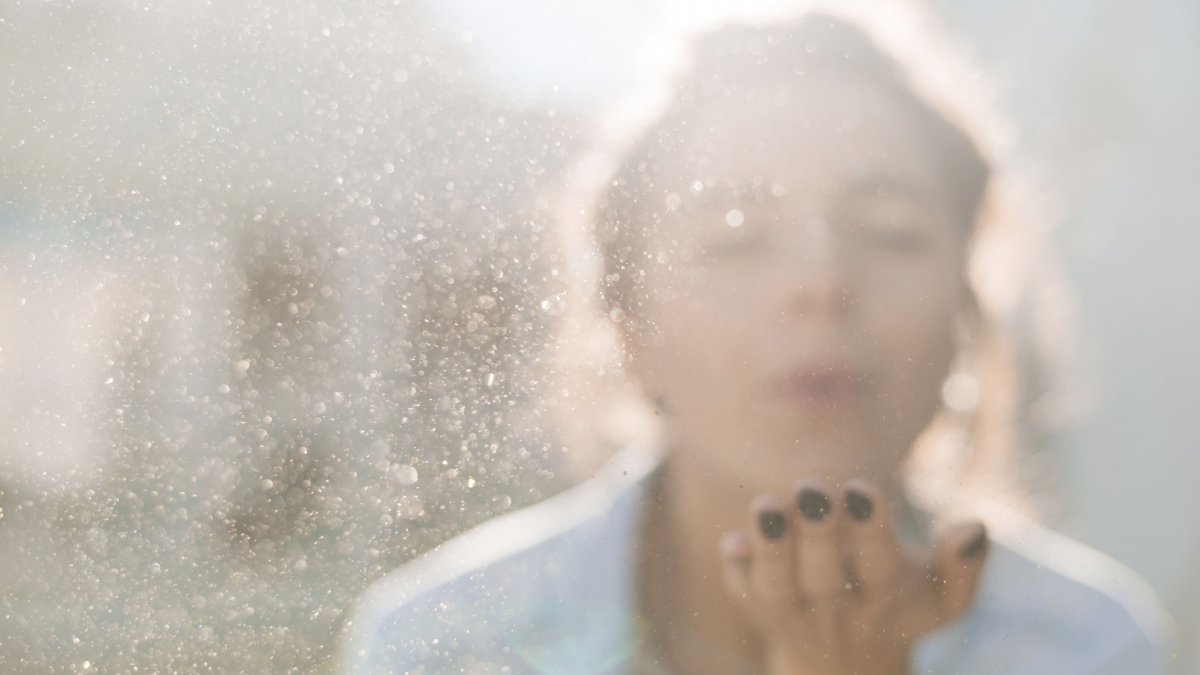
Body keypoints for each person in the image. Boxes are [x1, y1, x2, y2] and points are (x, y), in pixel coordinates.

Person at [339, 4, 1175, 674]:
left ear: (966, 302)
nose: (821, 282)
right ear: (628, 317)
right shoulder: (446, 642)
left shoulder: (1088, 648)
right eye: (736, 238)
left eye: (889, 230)